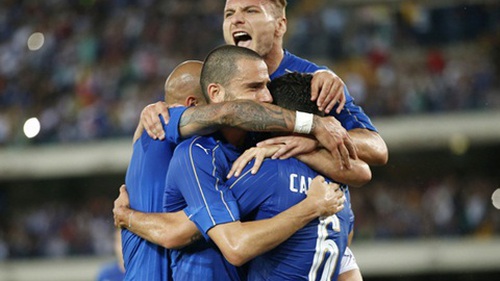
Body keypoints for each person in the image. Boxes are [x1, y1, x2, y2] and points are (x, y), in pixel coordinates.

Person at [121, 59, 354, 280]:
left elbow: (363, 170)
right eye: (255, 87)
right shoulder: (166, 126)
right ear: (198, 105)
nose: (266, 98)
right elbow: (232, 112)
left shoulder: (248, 158)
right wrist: (313, 125)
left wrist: (308, 142)